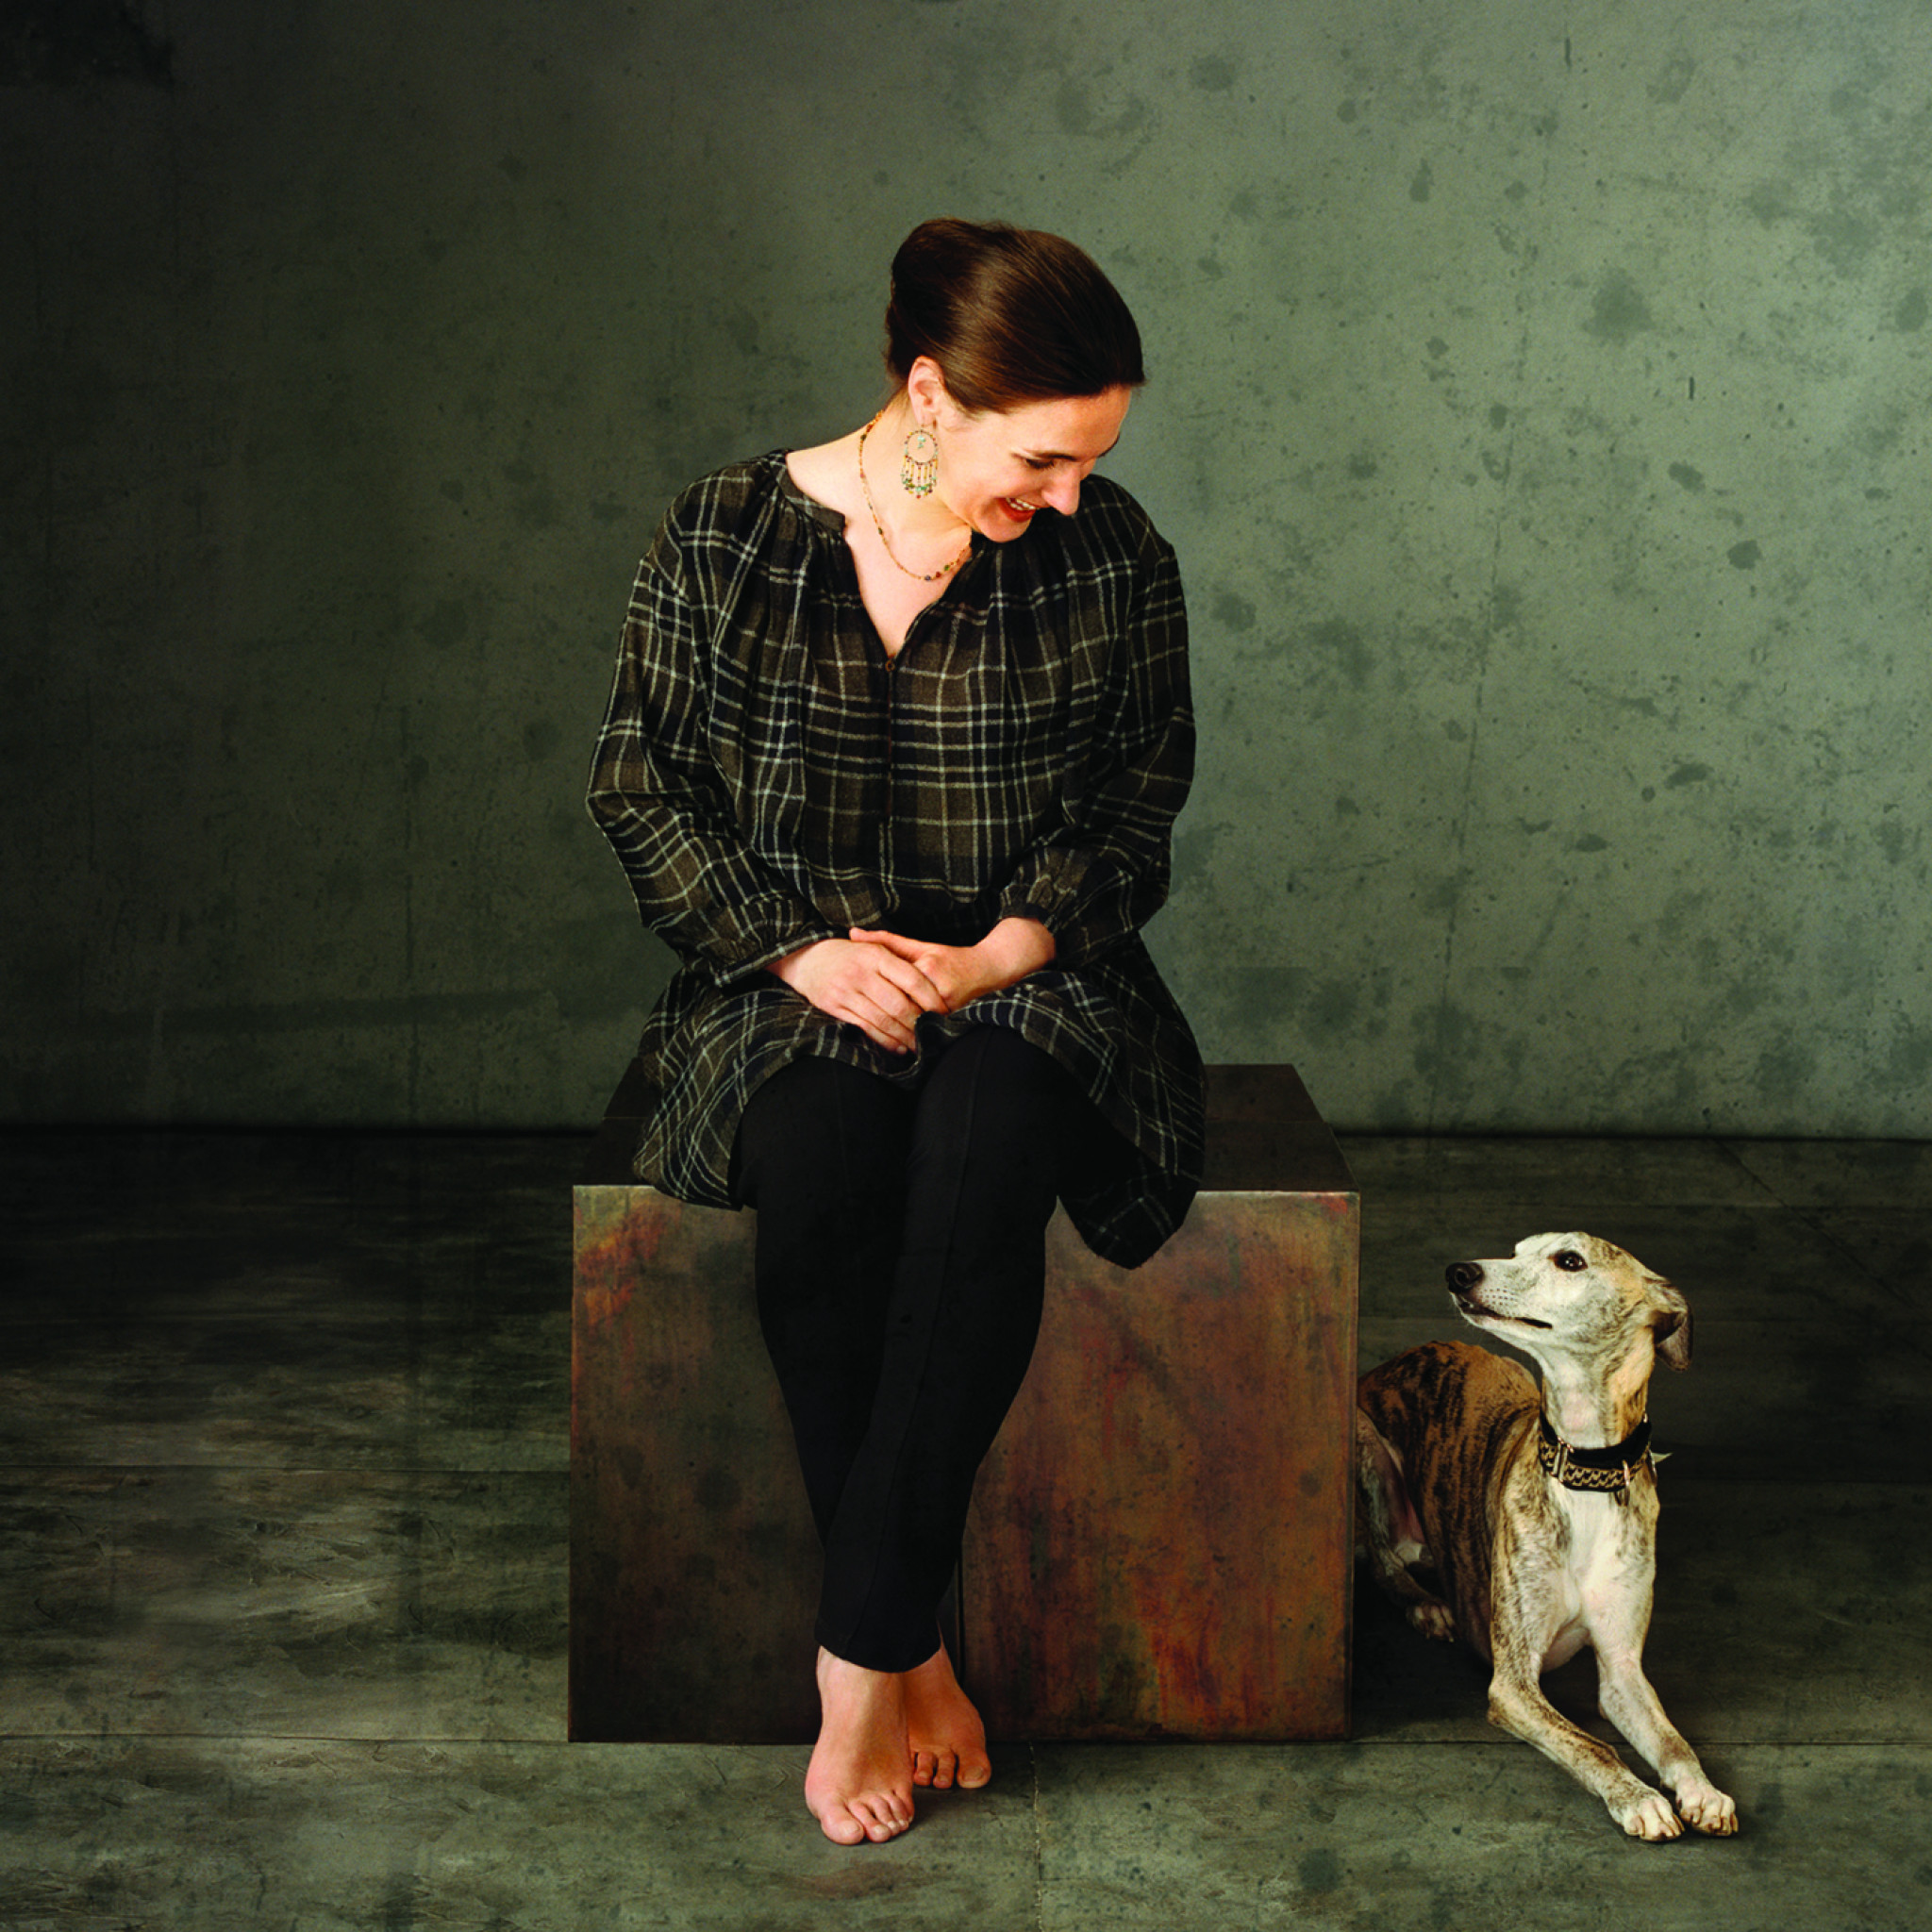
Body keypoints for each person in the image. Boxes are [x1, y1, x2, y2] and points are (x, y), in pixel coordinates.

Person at [586, 218, 1204, 1846]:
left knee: (986, 1147)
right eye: (1044, 457)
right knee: (825, 1166)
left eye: (1091, 462)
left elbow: (1137, 815)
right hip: (782, 983)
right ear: (929, 393)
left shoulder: (1115, 556)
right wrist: (795, 950)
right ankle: (915, 1635)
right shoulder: (719, 535)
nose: (1067, 495)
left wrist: (1002, 948)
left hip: (1036, 982)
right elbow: (642, 792)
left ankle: (858, 1648)